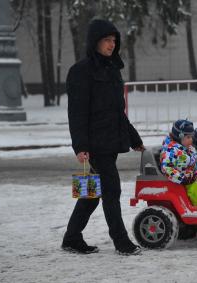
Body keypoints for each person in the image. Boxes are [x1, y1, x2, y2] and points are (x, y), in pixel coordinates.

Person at [62, 19, 145, 256]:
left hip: (110, 142)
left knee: (91, 194)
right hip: (94, 145)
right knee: (111, 190)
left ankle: (71, 237)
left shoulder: (112, 69)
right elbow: (76, 113)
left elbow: (118, 111)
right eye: (107, 40)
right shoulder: (80, 71)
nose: (112, 45)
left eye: (114, 40)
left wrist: (133, 138)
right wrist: (80, 146)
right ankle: (121, 242)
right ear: (95, 41)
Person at [160, 120, 197, 204]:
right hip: (180, 183)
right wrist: (182, 178)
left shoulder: (187, 148)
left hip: (192, 178)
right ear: (179, 136)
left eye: (191, 137)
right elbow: (166, 168)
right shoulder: (171, 150)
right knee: (195, 188)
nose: (191, 140)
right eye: (188, 137)